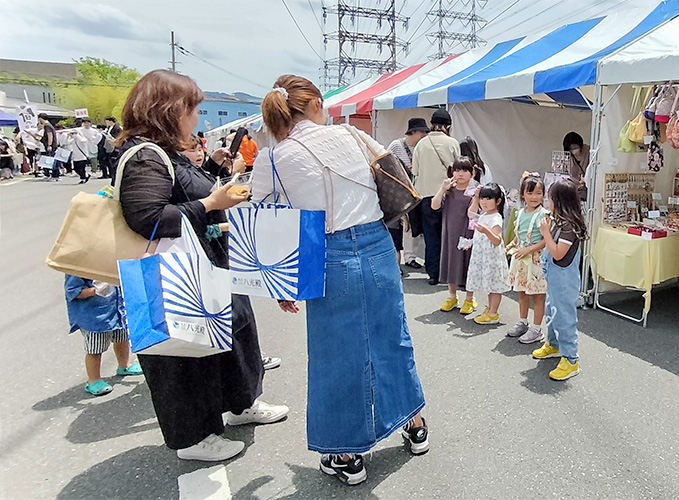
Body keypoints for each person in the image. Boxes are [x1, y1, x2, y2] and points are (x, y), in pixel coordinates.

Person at [251, 75, 429, 486]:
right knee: (392, 337)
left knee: (336, 355)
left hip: (325, 254)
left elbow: (266, 221)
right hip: (378, 246)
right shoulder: (350, 134)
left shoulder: (273, 158)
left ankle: (348, 454)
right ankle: (414, 422)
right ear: (315, 104)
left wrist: (281, 285)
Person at [117, 70, 288, 463]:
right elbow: (148, 218)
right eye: (193, 108)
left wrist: (221, 208)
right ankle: (194, 438)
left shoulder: (167, 152)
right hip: (176, 273)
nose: (197, 117)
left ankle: (242, 404)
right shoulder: (145, 155)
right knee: (183, 351)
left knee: (233, 333)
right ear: (170, 109)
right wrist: (212, 205)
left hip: (210, 263)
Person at [531, 179, 588, 380]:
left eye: (551, 199)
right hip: (555, 279)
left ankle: (571, 360)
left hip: (564, 281)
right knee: (552, 312)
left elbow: (557, 253)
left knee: (564, 317)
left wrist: (545, 233)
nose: (549, 203)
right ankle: (554, 345)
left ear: (560, 201)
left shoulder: (569, 227)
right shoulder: (560, 222)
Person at [64, 275, 143, 396]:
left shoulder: (109, 259)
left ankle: (124, 365)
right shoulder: (78, 265)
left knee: (122, 338)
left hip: (117, 310)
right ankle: (93, 379)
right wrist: (95, 291)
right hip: (95, 317)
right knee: (95, 349)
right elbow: (73, 291)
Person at [412, 109, 460, 285]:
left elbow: (415, 171)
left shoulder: (421, 144)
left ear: (432, 124)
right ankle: (450, 272)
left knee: (431, 236)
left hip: (426, 196)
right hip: (449, 195)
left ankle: (433, 274)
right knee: (449, 235)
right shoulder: (453, 143)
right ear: (448, 126)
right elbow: (458, 169)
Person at [432, 157, 479, 315]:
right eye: (457, 170)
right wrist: (442, 189)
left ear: (472, 173)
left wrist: (477, 197)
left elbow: (471, 214)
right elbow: (434, 205)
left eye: (465, 170)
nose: (460, 174)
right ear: (452, 172)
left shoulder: (475, 190)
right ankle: (452, 296)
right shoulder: (449, 190)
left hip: (467, 232)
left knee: (467, 263)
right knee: (450, 260)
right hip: (450, 232)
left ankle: (470, 298)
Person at [506, 173, 548, 344]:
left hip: (536, 260)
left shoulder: (545, 214)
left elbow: (547, 240)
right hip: (521, 259)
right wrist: (512, 244)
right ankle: (523, 322)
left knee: (538, 296)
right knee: (521, 292)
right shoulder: (520, 212)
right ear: (523, 194)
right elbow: (519, 234)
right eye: (530, 193)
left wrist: (529, 249)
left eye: (538, 193)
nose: (534, 197)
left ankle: (537, 329)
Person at [387, 118, 430, 269]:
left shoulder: (423, 147)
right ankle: (401, 257)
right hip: (399, 191)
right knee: (400, 226)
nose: (424, 134)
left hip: (416, 191)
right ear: (413, 132)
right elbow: (388, 165)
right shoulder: (396, 145)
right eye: (422, 131)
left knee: (413, 225)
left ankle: (411, 256)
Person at [465, 183, 509, 325]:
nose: (484, 202)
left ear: (498, 201)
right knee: (491, 284)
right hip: (485, 256)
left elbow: (497, 240)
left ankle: (493, 313)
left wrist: (486, 231)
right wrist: (476, 197)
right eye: (483, 198)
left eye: (488, 198)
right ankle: (490, 309)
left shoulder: (496, 217)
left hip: (493, 258)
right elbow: (470, 214)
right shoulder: (484, 214)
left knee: (495, 286)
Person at [563, 132, 590, 200]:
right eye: (571, 149)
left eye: (575, 147)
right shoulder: (569, 156)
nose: (573, 151)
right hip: (575, 190)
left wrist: (586, 179)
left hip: (588, 189)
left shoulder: (589, 152)